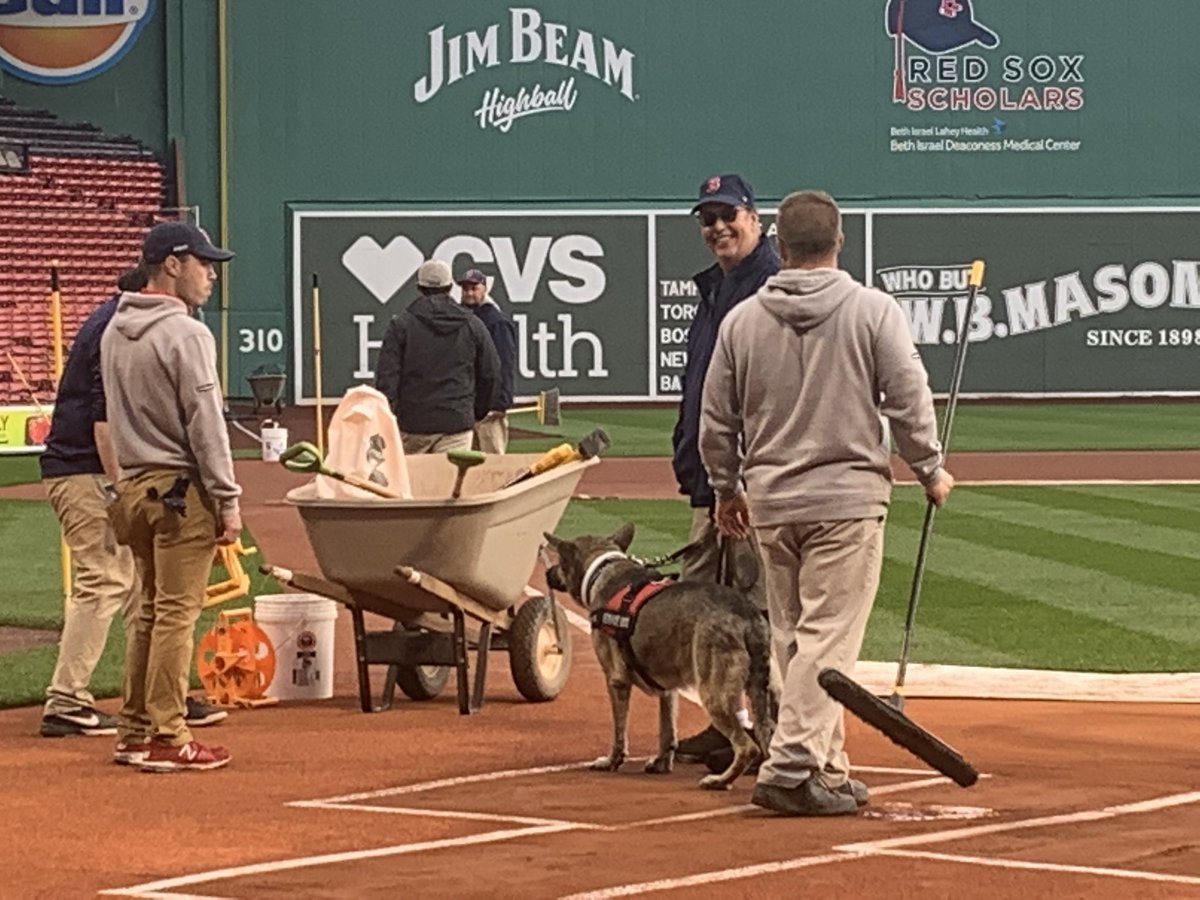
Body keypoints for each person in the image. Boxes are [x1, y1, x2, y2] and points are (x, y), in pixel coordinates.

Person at [699, 190, 954, 816]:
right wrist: (930, 468)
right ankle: (789, 768)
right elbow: (908, 397)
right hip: (846, 500)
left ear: (780, 247)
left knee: (796, 639)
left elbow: (715, 420)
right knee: (827, 643)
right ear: (839, 242)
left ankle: (830, 768)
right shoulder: (873, 310)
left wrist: (725, 488)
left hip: (774, 503)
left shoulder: (743, 321)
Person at [38, 265, 227, 739]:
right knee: (105, 581)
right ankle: (67, 698)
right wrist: (124, 489)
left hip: (93, 467)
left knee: (147, 592)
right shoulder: (120, 329)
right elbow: (104, 424)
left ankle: (157, 697)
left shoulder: (117, 322)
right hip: (88, 467)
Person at [102, 222, 241, 772]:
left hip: (134, 486)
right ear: (173, 264)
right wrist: (228, 500)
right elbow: (205, 423)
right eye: (204, 263)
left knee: (147, 614)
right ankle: (168, 734)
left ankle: (132, 731)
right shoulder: (187, 334)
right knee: (177, 617)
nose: (211, 275)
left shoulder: (114, 328)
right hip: (181, 491)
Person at [670, 173, 780, 765]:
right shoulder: (718, 288)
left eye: (727, 215)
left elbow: (758, 395)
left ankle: (771, 731)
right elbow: (702, 391)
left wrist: (733, 480)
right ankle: (728, 722)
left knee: (753, 608)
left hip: (745, 483)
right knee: (708, 608)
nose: (717, 228)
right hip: (710, 480)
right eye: (707, 219)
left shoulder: (769, 287)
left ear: (754, 217)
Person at [375, 259, 501, 455]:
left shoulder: (401, 325)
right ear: (450, 286)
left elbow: (387, 377)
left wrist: (395, 414)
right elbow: (490, 372)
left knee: (412, 483)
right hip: (456, 423)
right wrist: (477, 411)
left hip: (414, 423)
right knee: (450, 483)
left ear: (419, 287)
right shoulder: (472, 324)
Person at [457, 268, 517, 454]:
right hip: (468, 404)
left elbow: (504, 362)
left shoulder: (495, 321)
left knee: (493, 459)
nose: (469, 293)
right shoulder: (463, 317)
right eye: (465, 288)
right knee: (467, 461)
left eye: (474, 288)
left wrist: (499, 402)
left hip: (489, 406)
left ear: (485, 288)